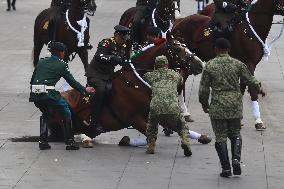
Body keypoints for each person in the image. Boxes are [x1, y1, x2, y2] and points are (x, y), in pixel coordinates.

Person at [198, 38, 262, 177]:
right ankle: (236, 159)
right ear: (229, 49)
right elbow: (251, 81)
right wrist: (259, 88)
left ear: (215, 49)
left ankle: (226, 168)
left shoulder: (210, 65)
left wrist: (204, 104)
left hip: (217, 105)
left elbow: (203, 90)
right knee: (235, 134)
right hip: (235, 105)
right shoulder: (238, 64)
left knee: (220, 137)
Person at [29, 42, 95, 150]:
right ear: (61, 53)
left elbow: (32, 80)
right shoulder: (62, 64)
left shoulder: (41, 61)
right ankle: (69, 142)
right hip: (48, 93)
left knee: (46, 113)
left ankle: (43, 142)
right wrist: (85, 90)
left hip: (35, 93)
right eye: (64, 52)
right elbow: (72, 82)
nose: (64, 54)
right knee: (66, 112)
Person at [85, 25, 130, 135]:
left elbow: (124, 58)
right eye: (122, 38)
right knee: (101, 91)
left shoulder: (123, 46)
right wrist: (111, 57)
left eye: (125, 39)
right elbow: (99, 55)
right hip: (96, 74)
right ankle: (94, 121)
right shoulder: (106, 42)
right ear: (116, 35)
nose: (123, 41)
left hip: (108, 74)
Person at [144, 55, 192, 156]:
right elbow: (180, 82)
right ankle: (185, 140)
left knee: (152, 126)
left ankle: (151, 145)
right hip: (172, 106)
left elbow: (145, 79)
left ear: (156, 65)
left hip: (156, 106)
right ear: (167, 64)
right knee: (182, 125)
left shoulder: (150, 75)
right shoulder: (175, 75)